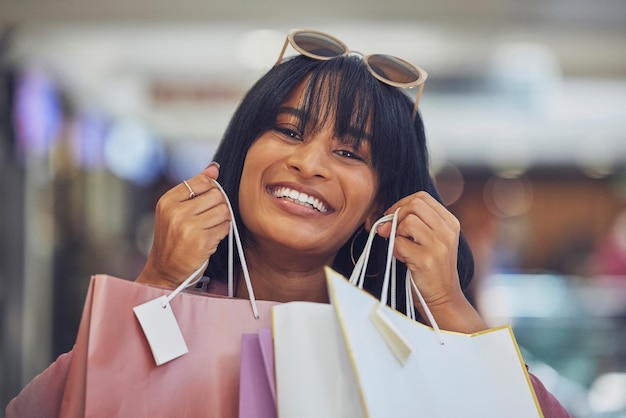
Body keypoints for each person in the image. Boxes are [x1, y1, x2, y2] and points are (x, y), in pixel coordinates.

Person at [7, 29, 571, 417]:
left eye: (350, 153)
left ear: (382, 203)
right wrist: (155, 282)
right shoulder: (162, 318)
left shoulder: (415, 346)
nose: (309, 163)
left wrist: (449, 307)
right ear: (240, 154)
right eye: (290, 131)